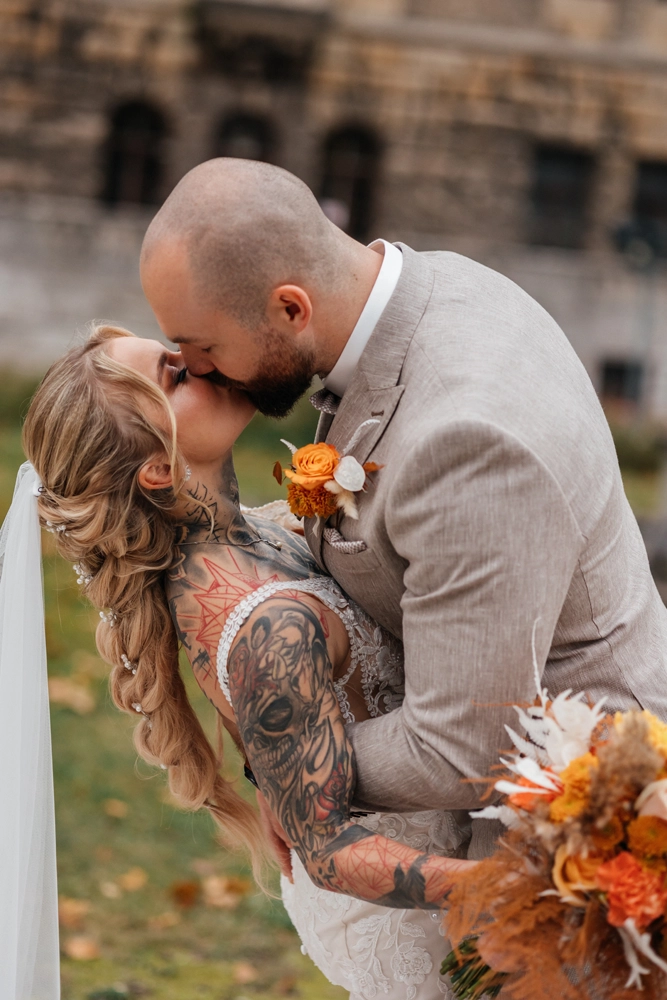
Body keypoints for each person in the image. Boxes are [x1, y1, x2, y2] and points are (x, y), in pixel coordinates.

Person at [139, 157, 667, 867]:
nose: (198, 369)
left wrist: (289, 764)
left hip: (594, 827)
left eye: (202, 349)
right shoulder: (435, 286)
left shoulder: (464, 441)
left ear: (291, 309)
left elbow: (459, 747)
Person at [10, 323, 470, 999]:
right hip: (409, 911)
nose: (201, 361)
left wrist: (276, 773)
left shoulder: (248, 531)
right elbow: (330, 854)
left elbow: (281, 714)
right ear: (160, 469)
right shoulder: (263, 623)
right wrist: (524, 885)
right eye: (174, 373)